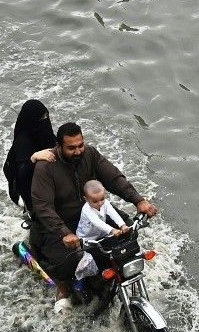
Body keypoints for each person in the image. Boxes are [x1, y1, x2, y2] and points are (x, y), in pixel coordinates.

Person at [30, 122, 158, 312]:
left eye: (80, 145)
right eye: (71, 148)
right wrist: (64, 232)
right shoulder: (45, 168)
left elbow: (114, 178)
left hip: (91, 213)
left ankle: (113, 272)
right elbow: (43, 207)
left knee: (129, 231)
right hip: (60, 224)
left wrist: (138, 200)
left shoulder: (90, 154)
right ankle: (63, 285)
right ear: (59, 146)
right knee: (68, 259)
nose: (78, 151)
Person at [2, 99, 57, 211]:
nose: (45, 120)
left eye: (46, 116)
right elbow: (21, 173)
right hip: (27, 187)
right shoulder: (23, 141)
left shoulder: (45, 133)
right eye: (41, 118)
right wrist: (33, 158)